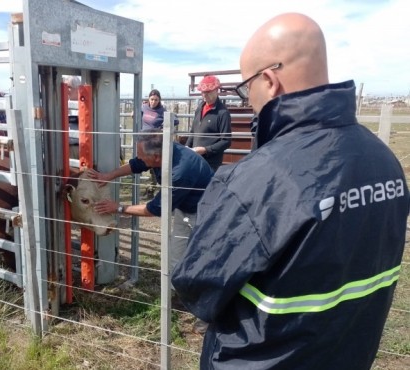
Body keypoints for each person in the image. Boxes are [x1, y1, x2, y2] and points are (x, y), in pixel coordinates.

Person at [172, 13, 410, 370]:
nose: (247, 100)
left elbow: (197, 287)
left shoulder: (258, 180)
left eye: (244, 88)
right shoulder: (385, 162)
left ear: (269, 80)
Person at [87, 129, 213, 275]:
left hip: (207, 212)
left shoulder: (180, 172)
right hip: (185, 207)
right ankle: (176, 292)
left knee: (205, 255)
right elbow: (136, 165)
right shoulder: (163, 150)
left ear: (156, 157)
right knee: (176, 253)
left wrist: (119, 208)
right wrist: (108, 175)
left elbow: (155, 209)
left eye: (141, 156)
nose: (139, 158)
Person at [185, 75, 232, 171]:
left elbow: (226, 141)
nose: (204, 95)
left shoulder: (223, 113)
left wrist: (206, 150)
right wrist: (187, 147)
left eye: (208, 92)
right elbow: (193, 131)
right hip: (195, 158)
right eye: (202, 92)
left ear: (216, 91)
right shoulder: (200, 108)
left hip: (211, 163)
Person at [140, 89, 179, 199]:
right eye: (152, 99)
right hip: (143, 141)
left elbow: (175, 119)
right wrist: (134, 112)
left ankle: (152, 189)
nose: (153, 102)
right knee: (143, 165)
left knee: (155, 167)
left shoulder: (161, 110)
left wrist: (163, 126)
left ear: (159, 100)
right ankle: (150, 189)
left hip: (155, 142)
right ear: (148, 99)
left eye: (156, 100)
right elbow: (138, 113)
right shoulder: (143, 107)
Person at [63, 75, 81, 160]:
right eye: (65, 87)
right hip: (68, 148)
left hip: (82, 148)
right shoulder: (63, 104)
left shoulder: (86, 104)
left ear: (77, 88)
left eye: (69, 87)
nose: (66, 90)